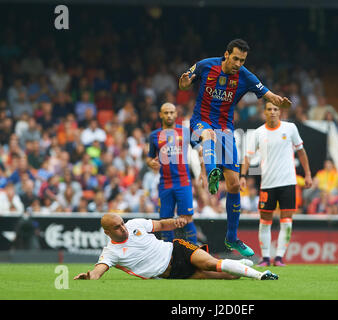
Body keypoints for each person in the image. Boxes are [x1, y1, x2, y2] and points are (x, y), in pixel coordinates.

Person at [178, 38, 291, 256]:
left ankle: (231, 238)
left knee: (233, 185)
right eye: (236, 58)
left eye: (243, 60)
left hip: (226, 128)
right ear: (227, 54)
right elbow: (184, 84)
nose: (239, 63)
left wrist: (279, 101)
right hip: (200, 121)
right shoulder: (206, 65)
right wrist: (184, 82)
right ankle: (212, 174)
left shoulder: (245, 76)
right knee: (207, 134)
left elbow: (268, 95)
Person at [73, 213, 278, 280]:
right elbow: (99, 271)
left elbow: (161, 225)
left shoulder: (134, 224)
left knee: (210, 264)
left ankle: (261, 275)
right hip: (171, 273)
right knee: (227, 276)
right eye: (117, 228)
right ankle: (240, 264)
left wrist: (176, 222)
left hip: (176, 250)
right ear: (107, 232)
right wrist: (89, 276)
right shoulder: (111, 252)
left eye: (122, 224)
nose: (123, 229)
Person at [240, 102, 312, 266]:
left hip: (288, 182)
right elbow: (247, 157)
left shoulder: (290, 128)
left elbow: (301, 151)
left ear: (280, 112)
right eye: (269, 109)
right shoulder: (258, 132)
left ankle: (279, 257)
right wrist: (243, 175)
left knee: (286, 220)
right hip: (267, 183)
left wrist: (307, 174)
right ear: (264, 112)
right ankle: (265, 257)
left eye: (275, 109)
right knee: (265, 220)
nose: (272, 112)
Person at [146, 103, 198, 244]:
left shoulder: (185, 132)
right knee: (165, 221)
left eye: (171, 112)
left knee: (186, 218)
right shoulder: (154, 136)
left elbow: (198, 148)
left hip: (183, 181)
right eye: (166, 112)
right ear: (161, 115)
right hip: (165, 183)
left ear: (176, 114)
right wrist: (151, 163)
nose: (169, 115)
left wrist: (204, 170)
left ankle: (194, 253)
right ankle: (167, 258)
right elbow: (149, 157)